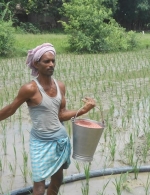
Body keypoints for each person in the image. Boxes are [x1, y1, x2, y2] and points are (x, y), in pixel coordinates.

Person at [0, 43, 96, 195]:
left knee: (57, 180)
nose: (51, 64)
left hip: (60, 140)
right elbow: (11, 109)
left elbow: (61, 115)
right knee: (38, 186)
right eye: (46, 61)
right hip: (40, 142)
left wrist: (83, 110)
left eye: (53, 61)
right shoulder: (30, 89)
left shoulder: (60, 86)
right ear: (36, 64)